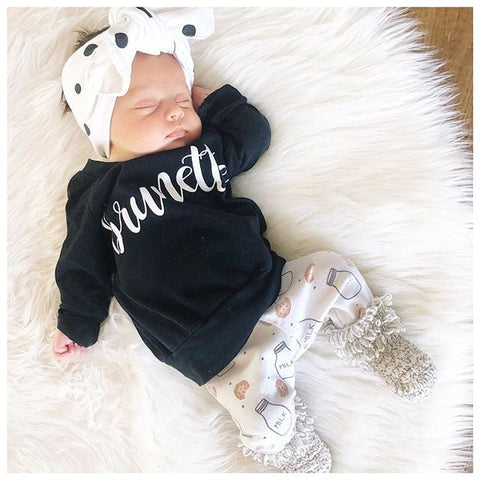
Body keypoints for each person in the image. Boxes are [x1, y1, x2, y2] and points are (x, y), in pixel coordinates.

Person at [53, 7, 437, 473]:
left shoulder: (201, 154)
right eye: (149, 106)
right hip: (212, 347)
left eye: (181, 99)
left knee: (334, 270)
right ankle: (290, 448)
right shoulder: (96, 191)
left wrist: (217, 105)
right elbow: (82, 262)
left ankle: (378, 342)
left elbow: (253, 138)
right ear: (100, 125)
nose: (175, 111)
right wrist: (77, 321)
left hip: (270, 289)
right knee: (262, 418)